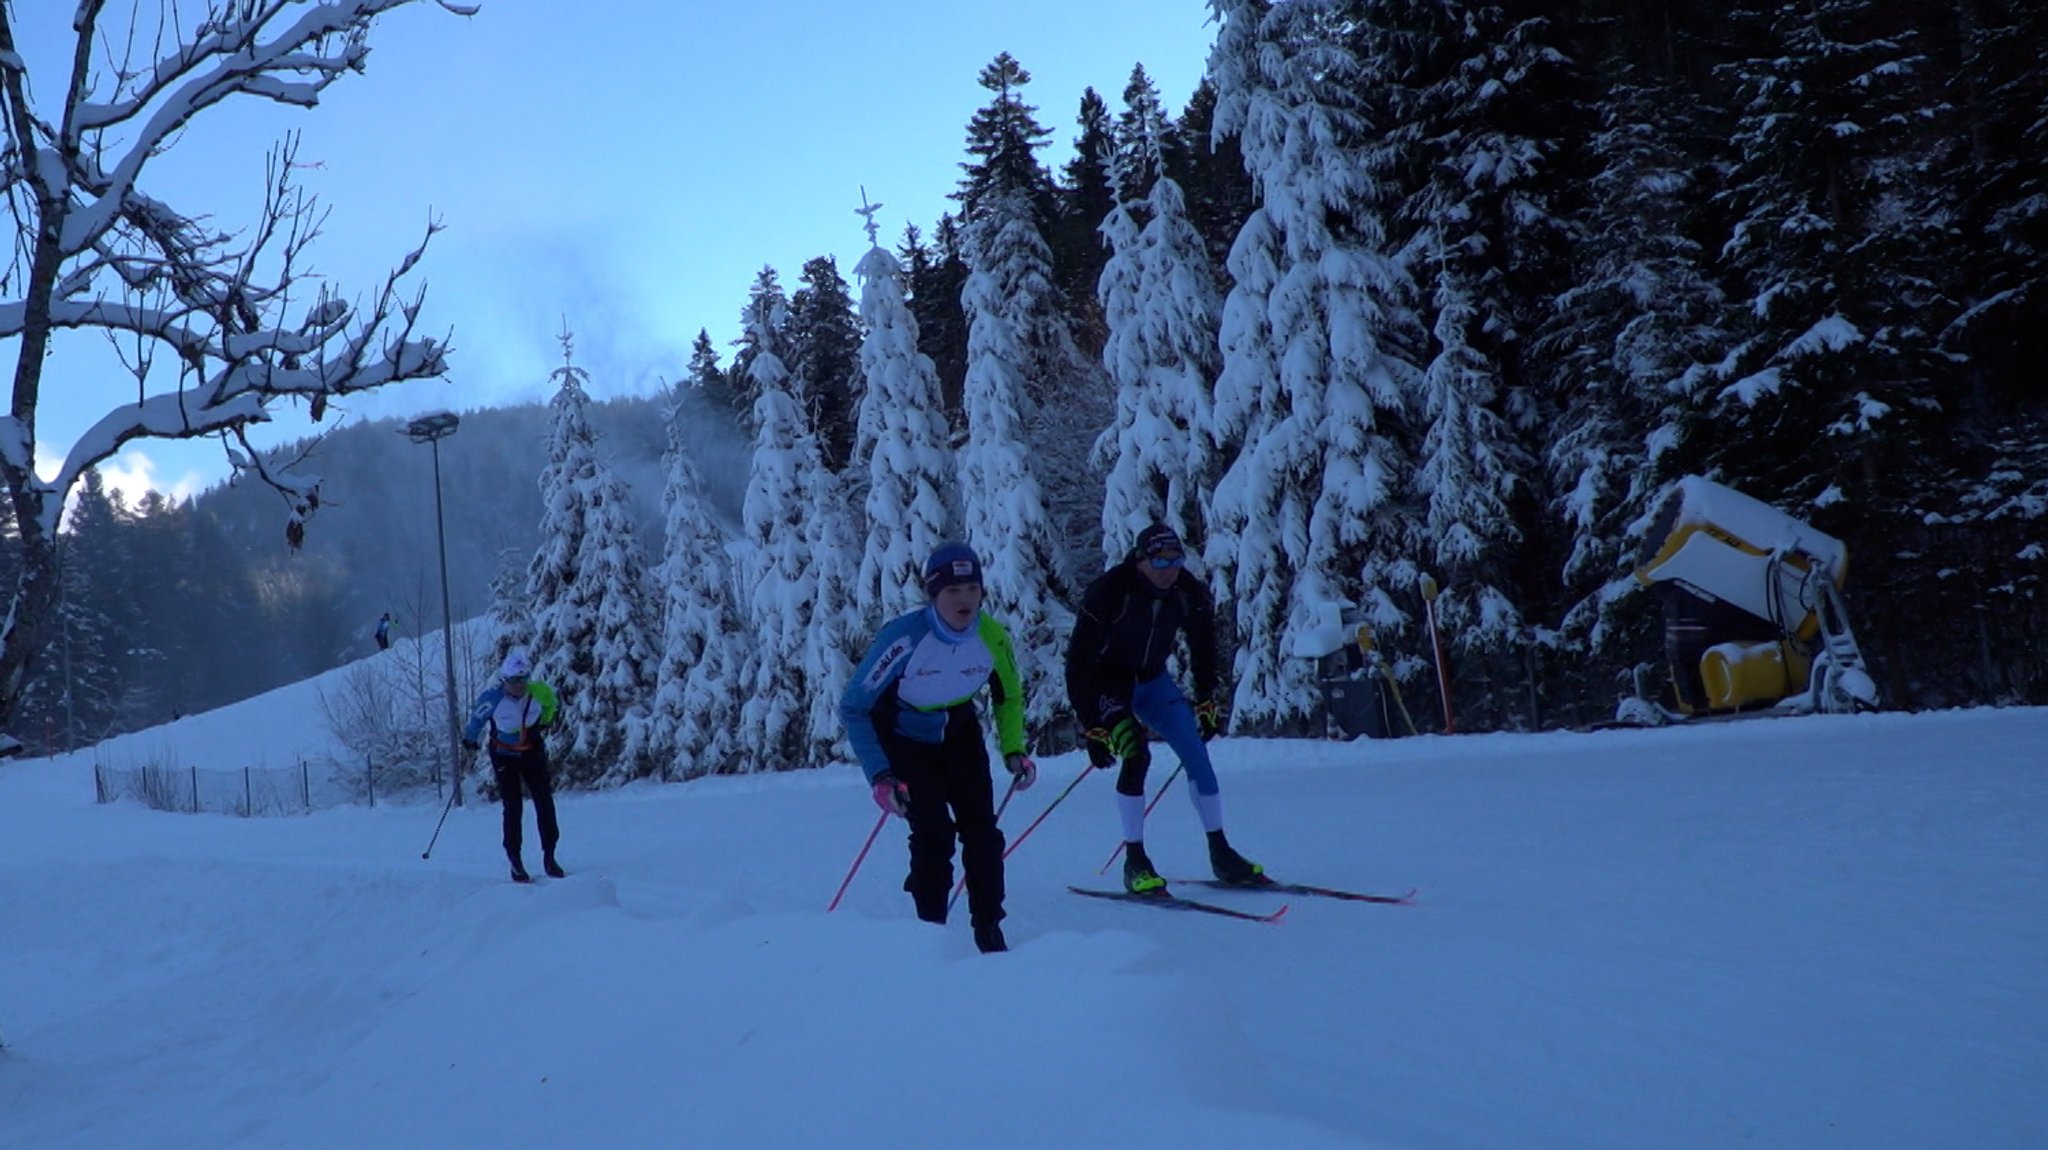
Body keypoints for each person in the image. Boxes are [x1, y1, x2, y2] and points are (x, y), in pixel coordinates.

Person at [841, 542, 1036, 954]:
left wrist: (1013, 749)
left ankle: (989, 931)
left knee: (983, 834)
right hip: (905, 738)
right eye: (953, 590)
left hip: (960, 734)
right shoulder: (904, 638)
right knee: (934, 835)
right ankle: (929, 935)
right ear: (933, 594)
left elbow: (1009, 695)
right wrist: (880, 776)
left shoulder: (992, 637)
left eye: (972, 588)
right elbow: (855, 706)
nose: (965, 600)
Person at [1064, 522, 1261, 894]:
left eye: (1175, 560)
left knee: (1196, 753)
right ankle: (1135, 861)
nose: (1169, 569)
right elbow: (1077, 662)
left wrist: (1206, 699)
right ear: (1141, 561)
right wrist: (1091, 725)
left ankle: (1221, 851)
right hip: (1110, 683)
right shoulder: (1110, 590)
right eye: (1160, 561)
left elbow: (1204, 646)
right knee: (1136, 753)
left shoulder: (1186, 590)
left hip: (1154, 681)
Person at [462, 650, 564, 883]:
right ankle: (515, 860)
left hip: (532, 751)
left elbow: (551, 705)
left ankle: (550, 855)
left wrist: (544, 722)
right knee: (513, 805)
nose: (519, 685)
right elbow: (476, 720)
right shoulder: (492, 698)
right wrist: (470, 741)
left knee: (544, 801)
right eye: (514, 681)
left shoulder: (539, 692)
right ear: (504, 680)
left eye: (524, 679)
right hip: (504, 755)